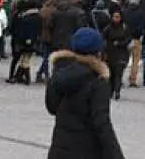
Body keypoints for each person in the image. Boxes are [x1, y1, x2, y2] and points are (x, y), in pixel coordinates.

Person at [46, 27, 125, 159]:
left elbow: (52, 107)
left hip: (59, 149)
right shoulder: (98, 80)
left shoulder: (59, 72)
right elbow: (102, 123)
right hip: (87, 150)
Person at [103, 10, 130, 99]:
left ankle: (117, 91)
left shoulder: (124, 28)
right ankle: (110, 91)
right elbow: (103, 38)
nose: (116, 19)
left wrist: (120, 43)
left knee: (118, 73)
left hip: (121, 53)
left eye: (118, 17)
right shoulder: (108, 28)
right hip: (110, 53)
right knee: (111, 74)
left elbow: (128, 39)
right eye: (115, 17)